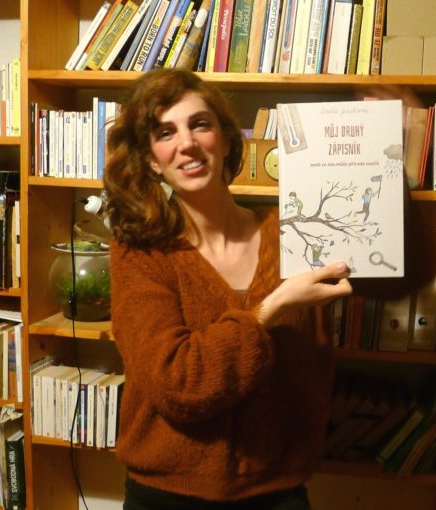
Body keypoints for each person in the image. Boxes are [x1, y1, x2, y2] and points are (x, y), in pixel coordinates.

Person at [104, 68, 353, 510]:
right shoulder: (141, 253)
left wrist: (391, 167)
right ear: (151, 160)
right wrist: (270, 309)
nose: (187, 143)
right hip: (166, 499)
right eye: (165, 133)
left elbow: (400, 281)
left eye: (200, 124)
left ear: (224, 139)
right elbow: (179, 383)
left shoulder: (294, 232)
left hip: (277, 494)